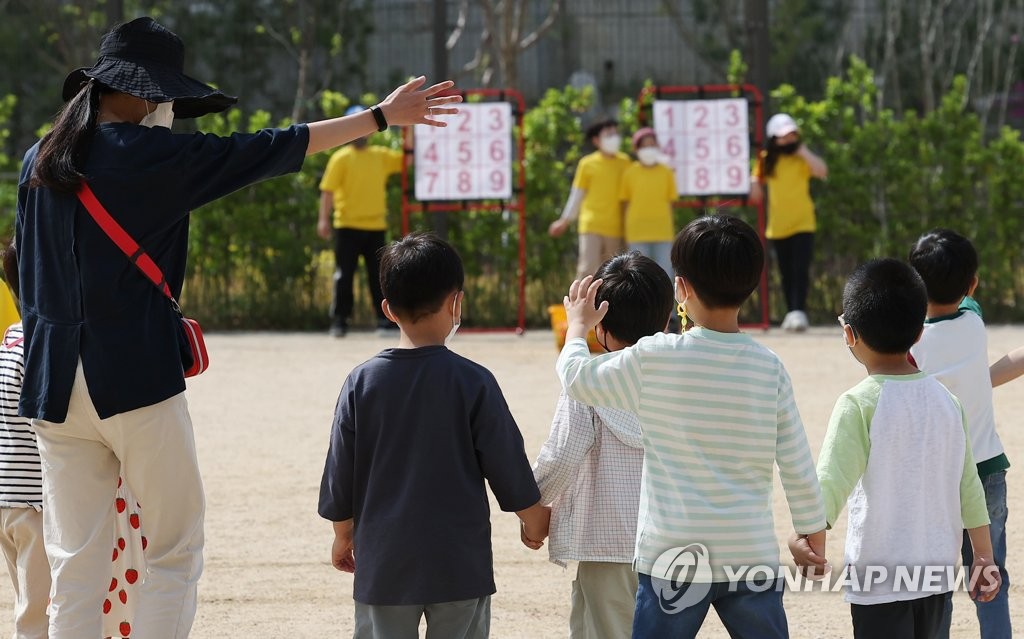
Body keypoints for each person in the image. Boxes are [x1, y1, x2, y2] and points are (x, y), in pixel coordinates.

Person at [17, 16, 460, 638]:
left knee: (75, 562)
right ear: (147, 94)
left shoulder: (39, 157)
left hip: (51, 387)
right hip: (135, 377)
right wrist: (380, 118)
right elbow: (278, 145)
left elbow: (28, 274)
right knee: (172, 551)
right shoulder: (157, 157)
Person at [556, 215, 827, 638]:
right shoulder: (768, 368)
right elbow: (796, 463)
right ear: (752, 286)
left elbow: (577, 378)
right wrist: (813, 533)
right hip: (748, 552)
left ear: (681, 290)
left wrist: (577, 326)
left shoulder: (656, 357)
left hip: (672, 555)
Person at [318, 233, 549, 639]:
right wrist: (533, 520)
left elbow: (341, 469)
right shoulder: (474, 381)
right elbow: (506, 461)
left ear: (387, 309)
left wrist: (343, 534)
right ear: (456, 303)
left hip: (385, 564)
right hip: (459, 565)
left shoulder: (361, 383)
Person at [805, 258, 998, 639]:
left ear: (849, 334)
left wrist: (810, 536)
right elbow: (969, 487)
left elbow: (830, 482)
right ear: (919, 333)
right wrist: (984, 556)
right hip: (937, 575)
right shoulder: (947, 401)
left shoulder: (858, 403)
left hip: (880, 578)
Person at [0, 241, 146, 639]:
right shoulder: (45, 347)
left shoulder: (10, 339)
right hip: (38, 504)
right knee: (44, 609)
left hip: (8, 499)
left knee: (29, 597)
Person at [532, 251, 673, 639]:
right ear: (666, 321)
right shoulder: (683, 378)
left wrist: (533, 507)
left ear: (602, 330)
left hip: (607, 545)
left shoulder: (589, 383)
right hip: (675, 544)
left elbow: (563, 453)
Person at [907, 229, 1012, 638]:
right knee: (989, 574)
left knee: (933, 582)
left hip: (934, 478)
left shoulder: (910, 343)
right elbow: (964, 300)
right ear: (973, 283)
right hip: (986, 471)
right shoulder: (974, 322)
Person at [317, 105, 406, 337]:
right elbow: (327, 191)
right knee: (343, 275)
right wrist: (323, 220)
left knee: (379, 276)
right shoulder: (340, 158)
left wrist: (410, 130)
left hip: (375, 226)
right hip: (347, 226)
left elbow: (407, 160)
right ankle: (340, 320)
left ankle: (384, 320)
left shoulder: (380, 156)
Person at [749, 113, 828, 332]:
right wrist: (754, 182)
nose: (788, 140)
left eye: (792, 135)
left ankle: (799, 311)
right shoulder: (766, 160)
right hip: (778, 226)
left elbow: (821, 170)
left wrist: (802, 151)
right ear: (773, 138)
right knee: (785, 271)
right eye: (783, 136)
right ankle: (791, 312)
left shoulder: (801, 159)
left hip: (803, 222)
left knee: (800, 269)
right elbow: (756, 182)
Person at [548, 118, 631, 280]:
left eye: (615, 134)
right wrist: (564, 221)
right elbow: (577, 194)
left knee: (612, 274)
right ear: (596, 140)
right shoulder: (587, 163)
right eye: (608, 135)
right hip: (591, 224)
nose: (614, 138)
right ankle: (578, 305)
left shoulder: (625, 162)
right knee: (587, 269)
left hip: (615, 227)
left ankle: (608, 306)